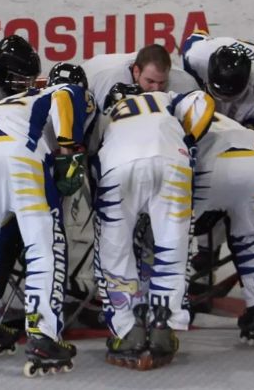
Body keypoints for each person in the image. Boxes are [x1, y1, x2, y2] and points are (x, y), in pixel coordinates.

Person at [0, 81, 95, 377]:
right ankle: (43, 337)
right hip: (19, 150)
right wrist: (67, 149)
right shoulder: (70, 90)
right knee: (44, 245)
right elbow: (66, 97)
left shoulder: (16, 100)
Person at [91, 83, 214, 370]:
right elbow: (203, 102)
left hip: (118, 166)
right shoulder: (167, 97)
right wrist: (188, 139)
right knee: (172, 251)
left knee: (115, 250)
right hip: (173, 161)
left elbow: (92, 156)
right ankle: (162, 326)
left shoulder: (106, 112)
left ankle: (126, 330)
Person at [189, 111, 254, 350]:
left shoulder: (168, 111)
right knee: (249, 237)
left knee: (173, 236)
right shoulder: (218, 115)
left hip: (210, 161)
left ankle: (162, 309)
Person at [181, 30, 254, 130]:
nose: (224, 99)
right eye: (219, 94)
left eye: (230, 96)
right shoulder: (196, 55)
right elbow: (198, 34)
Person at [82, 44, 200, 110]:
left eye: (162, 82)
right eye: (150, 81)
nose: (156, 88)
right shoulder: (107, 79)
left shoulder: (186, 85)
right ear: (136, 71)